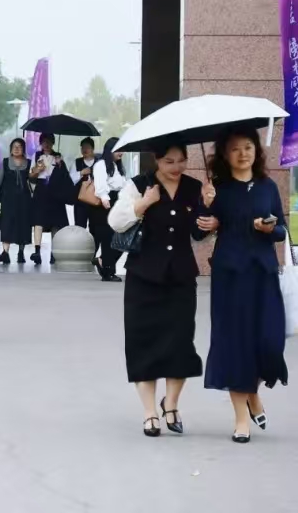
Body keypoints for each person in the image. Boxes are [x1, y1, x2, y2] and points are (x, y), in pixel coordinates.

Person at [109, 142, 209, 438]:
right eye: (169, 161)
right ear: (156, 160)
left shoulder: (194, 187)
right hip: (143, 276)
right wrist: (143, 204)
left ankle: (172, 404)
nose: (176, 167)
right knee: (144, 342)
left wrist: (208, 210)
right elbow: (115, 221)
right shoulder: (139, 185)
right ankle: (149, 412)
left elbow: (198, 233)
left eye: (181, 161)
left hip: (181, 277)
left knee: (180, 343)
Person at [202, 128, 289, 443]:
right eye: (236, 149)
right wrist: (207, 206)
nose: (243, 154)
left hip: (263, 273)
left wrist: (269, 229)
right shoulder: (218, 189)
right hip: (230, 275)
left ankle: (253, 393)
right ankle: (241, 418)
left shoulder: (268, 186)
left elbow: (282, 230)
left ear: (256, 151)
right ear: (226, 155)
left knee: (269, 339)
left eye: (248, 147)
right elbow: (199, 231)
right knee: (235, 342)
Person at [90, 137, 128, 282]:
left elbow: (122, 185)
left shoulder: (117, 166)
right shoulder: (101, 165)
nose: (121, 153)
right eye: (118, 150)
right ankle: (108, 270)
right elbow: (100, 184)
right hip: (106, 202)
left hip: (117, 201)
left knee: (121, 237)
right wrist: (105, 198)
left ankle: (103, 261)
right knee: (108, 238)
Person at [29, 133, 69, 265]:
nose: (46, 144)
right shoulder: (36, 156)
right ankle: (37, 251)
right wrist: (37, 169)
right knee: (38, 221)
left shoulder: (58, 157)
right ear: (41, 143)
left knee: (55, 223)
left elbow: (64, 175)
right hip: (41, 190)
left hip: (55, 191)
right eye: (44, 142)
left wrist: (60, 165)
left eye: (49, 142)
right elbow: (31, 176)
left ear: (53, 143)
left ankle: (54, 253)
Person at [0, 138, 33, 265]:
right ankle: (5, 252)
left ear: (23, 149)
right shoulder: (5, 162)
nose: (16, 149)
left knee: (23, 225)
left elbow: (33, 182)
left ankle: (21, 252)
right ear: (10, 149)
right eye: (14, 146)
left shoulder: (29, 163)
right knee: (7, 225)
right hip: (8, 200)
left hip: (24, 200)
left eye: (19, 146)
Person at [71, 138, 97, 229]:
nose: (85, 150)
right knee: (79, 227)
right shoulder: (76, 162)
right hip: (80, 201)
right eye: (83, 147)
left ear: (93, 148)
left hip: (95, 200)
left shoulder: (99, 162)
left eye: (87, 147)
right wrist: (81, 173)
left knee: (95, 226)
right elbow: (71, 180)